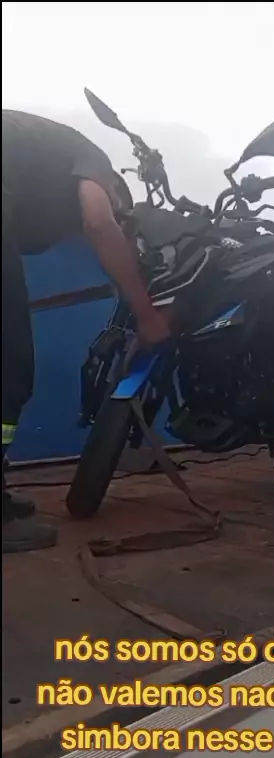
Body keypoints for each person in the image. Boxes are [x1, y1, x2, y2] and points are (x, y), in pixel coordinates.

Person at [2, 110, 171, 554]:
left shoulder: (36, 171)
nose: (121, 219)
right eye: (122, 212)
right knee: (9, 368)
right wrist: (146, 312)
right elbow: (98, 222)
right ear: (114, 186)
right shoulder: (94, 160)